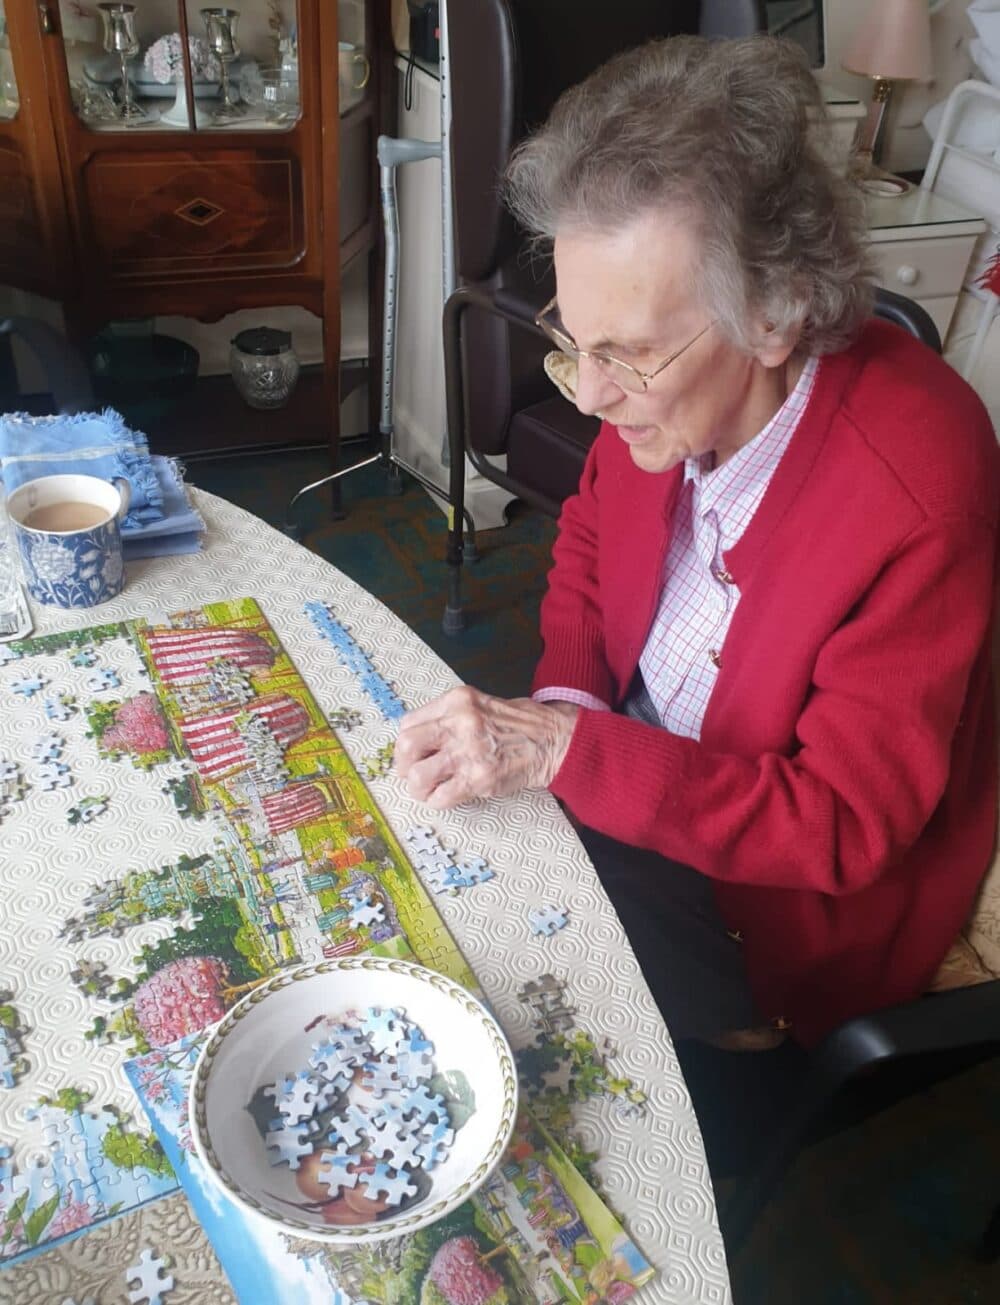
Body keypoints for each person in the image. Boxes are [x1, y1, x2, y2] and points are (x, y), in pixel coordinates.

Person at [395, 35, 999, 1050]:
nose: (588, 396)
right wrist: (573, 715)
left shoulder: (919, 488)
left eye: (625, 355)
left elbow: (841, 825)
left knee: (499, 1035)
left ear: (775, 315)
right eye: (573, 345)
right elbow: (589, 534)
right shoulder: (667, 391)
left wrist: (568, 753)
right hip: (631, 768)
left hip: (766, 902)